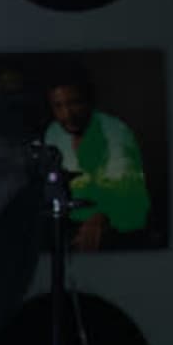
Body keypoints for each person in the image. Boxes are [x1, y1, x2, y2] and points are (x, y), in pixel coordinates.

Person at [44, 73, 150, 250]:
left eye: (74, 103)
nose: (67, 114)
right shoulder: (53, 132)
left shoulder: (116, 133)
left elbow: (128, 193)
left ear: (89, 102)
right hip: (70, 225)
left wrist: (100, 219)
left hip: (119, 226)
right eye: (58, 106)